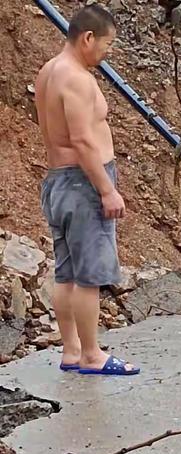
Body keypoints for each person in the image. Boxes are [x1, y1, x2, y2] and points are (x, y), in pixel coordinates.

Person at [35, 5, 139, 375]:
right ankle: (93, 355)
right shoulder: (77, 78)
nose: (107, 52)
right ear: (88, 38)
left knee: (65, 273)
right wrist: (107, 189)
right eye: (107, 44)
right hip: (83, 184)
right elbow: (80, 139)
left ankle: (72, 350)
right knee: (88, 277)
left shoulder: (48, 72)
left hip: (58, 181)